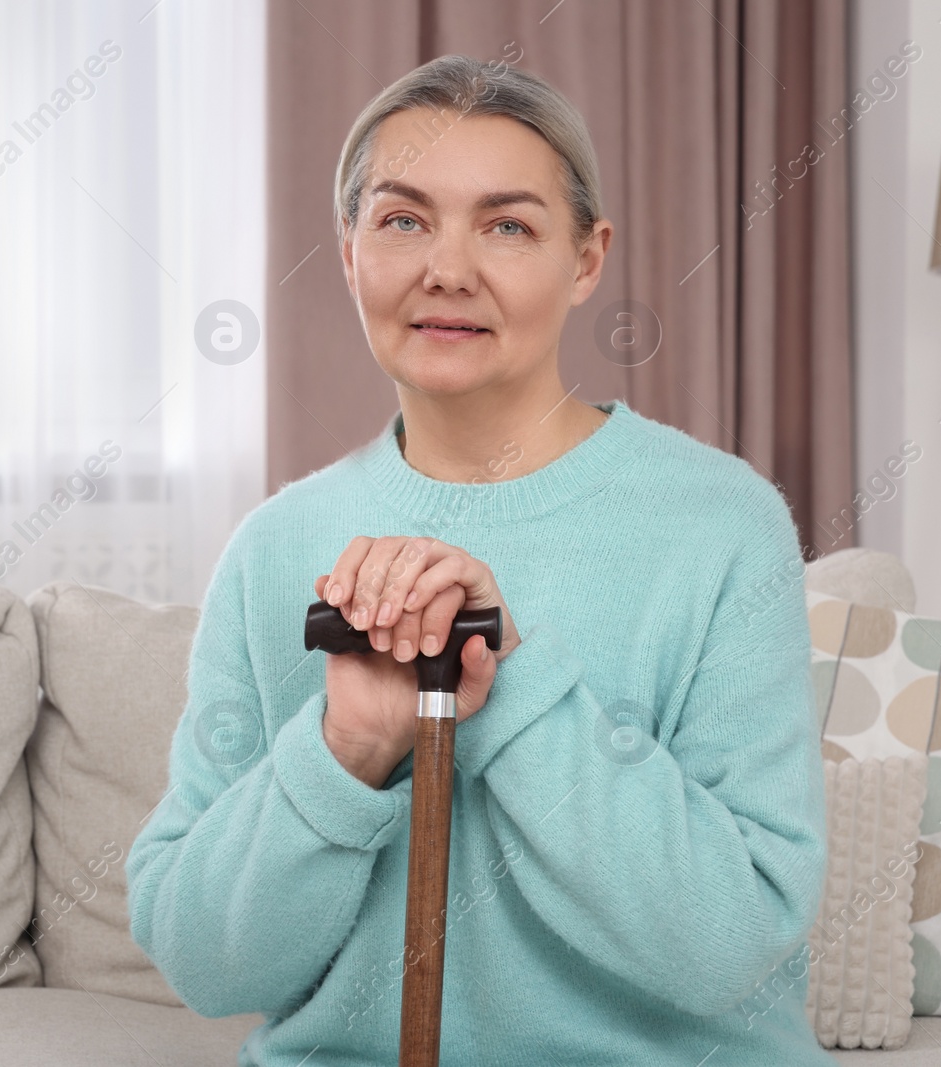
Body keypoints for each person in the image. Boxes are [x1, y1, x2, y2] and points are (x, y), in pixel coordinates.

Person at [127, 53, 834, 1067]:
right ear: (348, 248)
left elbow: (729, 944)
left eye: (507, 225)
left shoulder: (721, 524)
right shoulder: (275, 546)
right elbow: (206, 963)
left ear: (586, 260)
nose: (446, 268)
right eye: (403, 219)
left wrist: (508, 683)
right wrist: (346, 746)